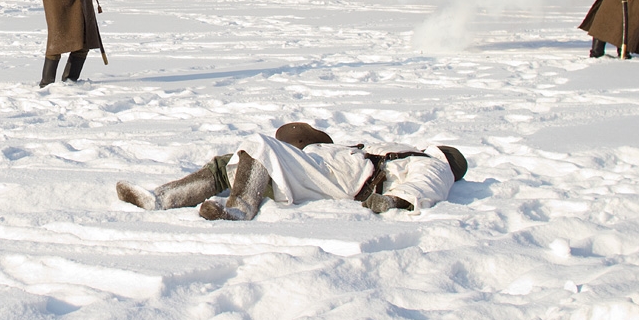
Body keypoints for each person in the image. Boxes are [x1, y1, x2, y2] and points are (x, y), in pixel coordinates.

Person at [116, 122, 467, 221]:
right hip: (322, 168)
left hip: (341, 181)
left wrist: (394, 202)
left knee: (259, 144)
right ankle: (159, 199)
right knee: (230, 163)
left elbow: (426, 185)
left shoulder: (433, 164)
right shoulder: (396, 152)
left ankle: (239, 209)